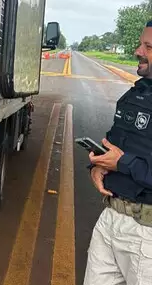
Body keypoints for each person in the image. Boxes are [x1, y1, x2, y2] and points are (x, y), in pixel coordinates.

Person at [84, 20, 152, 285]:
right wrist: (99, 165)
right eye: (140, 44)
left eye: (148, 47)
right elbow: (114, 143)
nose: (138, 51)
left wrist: (123, 163)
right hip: (111, 218)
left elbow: (123, 160)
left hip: (146, 234)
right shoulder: (136, 94)